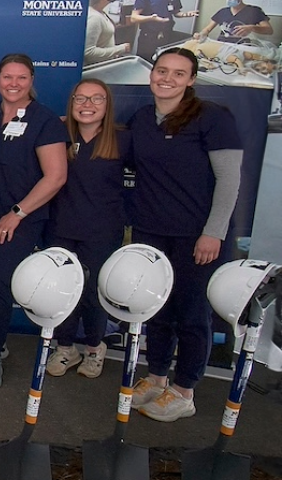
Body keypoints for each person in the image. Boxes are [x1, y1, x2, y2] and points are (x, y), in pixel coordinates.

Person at [128, 47, 242, 422]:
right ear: (151, 75)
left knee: (192, 314)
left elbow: (228, 180)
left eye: (179, 74)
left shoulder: (213, 118)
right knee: (155, 308)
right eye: (162, 71)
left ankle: (184, 390)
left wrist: (214, 233)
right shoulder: (143, 119)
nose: (168, 79)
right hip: (151, 231)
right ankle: (158, 377)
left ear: (192, 80)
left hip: (196, 236)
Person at [0, 54, 67, 390]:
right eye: (8, 77)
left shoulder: (46, 121)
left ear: (32, 80)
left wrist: (17, 213)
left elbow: (56, 176)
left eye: (21, 78)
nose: (14, 84)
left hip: (19, 219)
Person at [45, 79, 128, 379]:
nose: (87, 105)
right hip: (61, 226)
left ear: (107, 106)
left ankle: (95, 347)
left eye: (96, 99)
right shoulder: (57, 134)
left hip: (102, 229)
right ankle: (65, 347)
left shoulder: (122, 140)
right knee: (64, 290)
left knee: (94, 292)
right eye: (80, 98)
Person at [130, 0, 198, 61]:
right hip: (149, 37)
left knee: (163, 63)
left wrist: (186, 14)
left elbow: (176, 12)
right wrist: (152, 18)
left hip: (167, 35)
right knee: (146, 64)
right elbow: (134, 18)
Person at [194, 0, 272, 44]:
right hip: (222, 45)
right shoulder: (223, 11)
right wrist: (201, 34)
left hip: (242, 47)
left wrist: (251, 28)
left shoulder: (254, 11)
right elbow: (207, 29)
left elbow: (269, 30)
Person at [85, 0, 131, 65]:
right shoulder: (94, 18)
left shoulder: (101, 12)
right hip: (97, 68)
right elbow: (89, 52)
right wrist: (120, 49)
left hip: (105, 64)